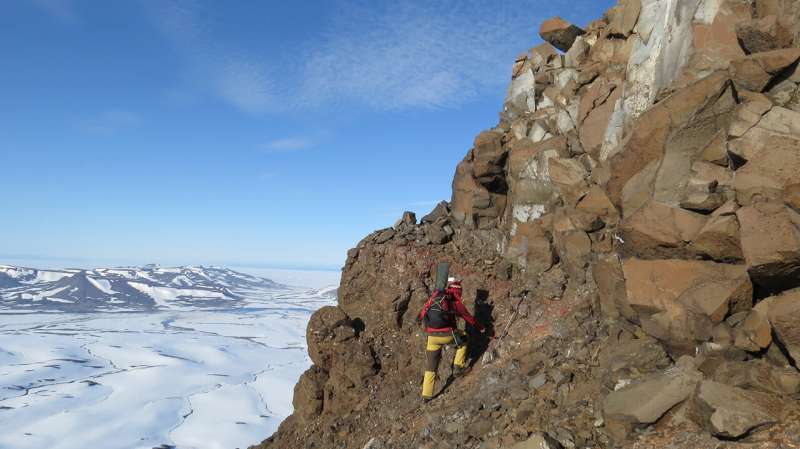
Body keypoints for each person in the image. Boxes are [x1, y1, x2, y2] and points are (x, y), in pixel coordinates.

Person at [417, 277, 485, 401]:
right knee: (464, 338)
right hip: (447, 334)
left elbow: (423, 312)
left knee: (431, 366)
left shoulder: (435, 298)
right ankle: (458, 367)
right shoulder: (454, 301)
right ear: (458, 290)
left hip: (431, 337)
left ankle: (426, 395)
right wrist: (481, 328)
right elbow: (468, 317)